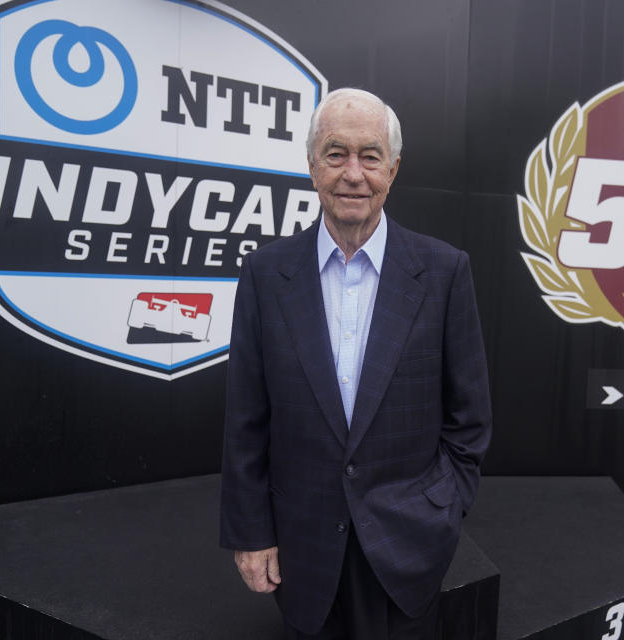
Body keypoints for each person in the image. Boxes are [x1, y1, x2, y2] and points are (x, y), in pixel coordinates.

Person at [220, 88, 492, 639]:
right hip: (301, 552)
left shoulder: (444, 272)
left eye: (369, 156)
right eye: (335, 153)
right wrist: (251, 533)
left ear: (392, 168)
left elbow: (470, 419)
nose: (353, 173)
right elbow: (246, 419)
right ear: (311, 164)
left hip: (407, 548)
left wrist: (441, 512)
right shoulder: (265, 275)